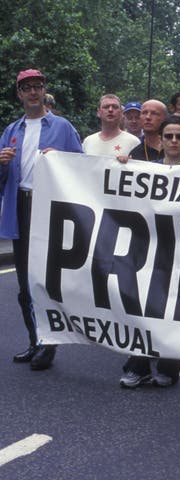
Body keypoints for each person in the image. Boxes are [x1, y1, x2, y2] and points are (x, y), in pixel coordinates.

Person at [0, 69, 83, 370]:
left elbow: (83, 168)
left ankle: (50, 343)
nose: (33, 92)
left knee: (47, 280)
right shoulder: (11, 129)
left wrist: (59, 157)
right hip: (20, 208)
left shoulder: (61, 127)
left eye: (38, 87)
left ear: (44, 91)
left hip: (50, 210)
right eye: (27, 88)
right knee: (25, 283)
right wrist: (2, 164)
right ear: (19, 94)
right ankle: (35, 341)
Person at [117, 115, 180, 388]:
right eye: (169, 136)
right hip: (148, 251)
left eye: (179, 136)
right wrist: (121, 168)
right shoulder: (144, 169)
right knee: (142, 306)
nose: (174, 141)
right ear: (160, 140)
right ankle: (137, 365)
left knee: (173, 309)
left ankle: (168, 366)